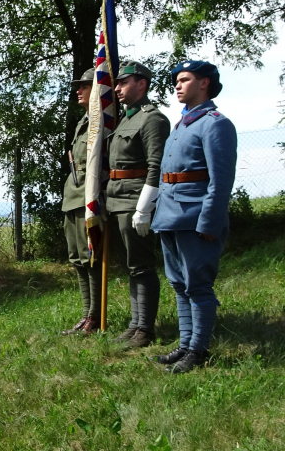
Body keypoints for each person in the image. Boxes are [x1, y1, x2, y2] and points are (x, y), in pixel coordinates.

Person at [152, 60, 237, 374]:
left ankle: (199, 351)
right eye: (176, 80)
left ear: (204, 83)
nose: (177, 84)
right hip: (171, 217)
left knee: (198, 285)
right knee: (178, 284)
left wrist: (210, 221)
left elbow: (221, 179)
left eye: (184, 79)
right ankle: (186, 344)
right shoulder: (182, 124)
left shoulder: (215, 123)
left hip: (195, 216)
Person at [108, 60, 171, 348]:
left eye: (123, 83)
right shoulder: (126, 118)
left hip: (136, 199)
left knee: (142, 265)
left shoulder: (152, 119)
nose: (117, 88)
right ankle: (135, 324)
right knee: (133, 265)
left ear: (141, 83)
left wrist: (145, 207)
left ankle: (145, 329)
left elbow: (156, 165)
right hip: (118, 199)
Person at [61, 68, 103, 336]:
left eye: (85, 86)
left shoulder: (102, 123)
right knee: (78, 259)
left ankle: (95, 316)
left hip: (88, 199)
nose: (78, 90)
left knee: (91, 259)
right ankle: (86, 314)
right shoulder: (83, 122)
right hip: (73, 197)